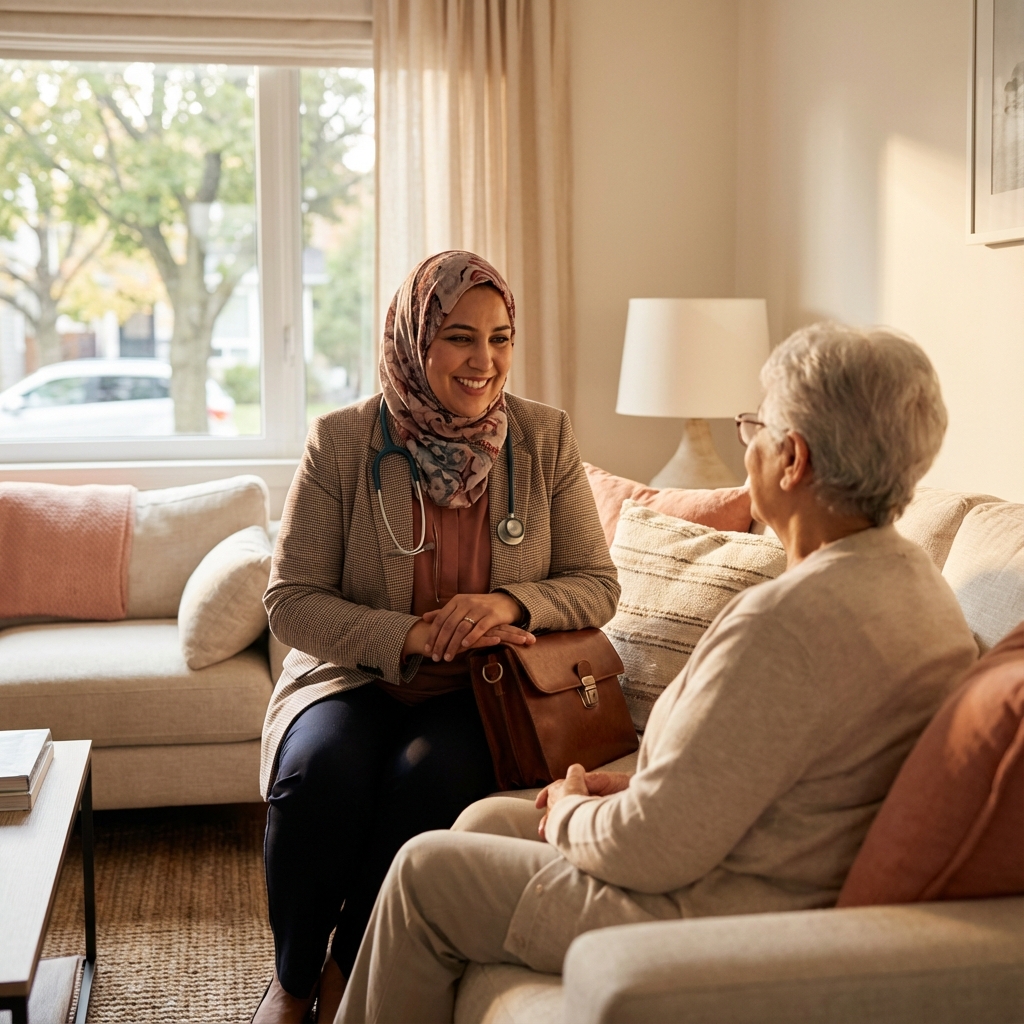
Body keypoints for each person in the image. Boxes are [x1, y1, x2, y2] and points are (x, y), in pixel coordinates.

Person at [335, 322, 980, 1024]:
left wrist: (573, 813)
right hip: (754, 854)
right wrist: (635, 784)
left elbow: (651, 849)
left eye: (755, 426)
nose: (750, 446)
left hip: (711, 905)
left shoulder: (785, 622)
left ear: (791, 458)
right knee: (486, 814)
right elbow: (780, 759)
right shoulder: (921, 588)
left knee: (426, 870)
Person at [251, 251, 619, 1023]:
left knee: (425, 783)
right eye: (459, 337)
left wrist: (510, 605)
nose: (483, 361)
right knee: (319, 778)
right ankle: (291, 979)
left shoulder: (543, 438)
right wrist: (410, 633)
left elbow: (597, 584)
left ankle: (348, 966)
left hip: (482, 694)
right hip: (357, 675)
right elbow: (289, 602)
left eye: (501, 337)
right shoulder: (344, 441)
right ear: (415, 341)